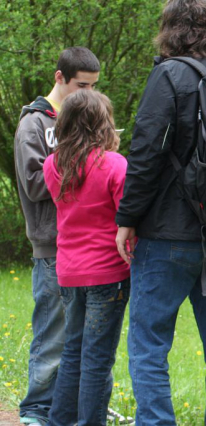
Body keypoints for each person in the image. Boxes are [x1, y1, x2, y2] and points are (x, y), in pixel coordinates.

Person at [115, 1, 206, 424]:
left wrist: (126, 220)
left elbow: (145, 155)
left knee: (149, 342)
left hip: (168, 235)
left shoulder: (169, 74)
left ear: (170, 28)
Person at [14, 46, 99, 426]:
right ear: (59, 77)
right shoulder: (33, 124)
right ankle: (36, 412)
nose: (89, 96)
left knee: (82, 338)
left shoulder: (84, 119)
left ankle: (70, 410)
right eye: (82, 86)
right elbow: (34, 184)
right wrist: (85, 169)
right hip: (51, 246)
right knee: (52, 336)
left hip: (88, 246)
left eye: (95, 88)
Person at [43, 89, 131, 426]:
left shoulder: (53, 165)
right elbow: (128, 217)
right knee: (97, 360)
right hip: (108, 273)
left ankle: (59, 421)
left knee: (72, 353)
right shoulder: (114, 164)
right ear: (103, 124)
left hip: (68, 271)